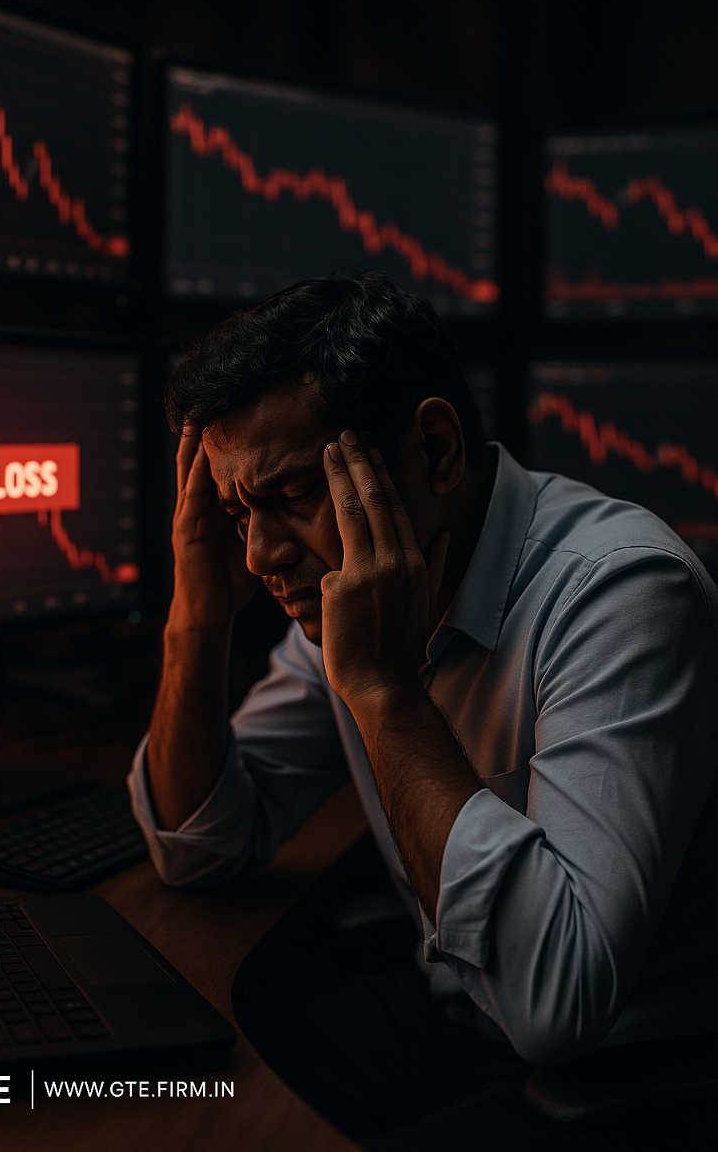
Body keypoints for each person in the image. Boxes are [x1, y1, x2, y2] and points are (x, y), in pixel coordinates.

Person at [128, 269, 718, 1144]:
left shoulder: (621, 592)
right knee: (174, 1086)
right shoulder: (345, 593)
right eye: (235, 510)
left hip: (620, 1075)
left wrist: (383, 692)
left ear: (434, 447)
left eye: (290, 495)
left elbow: (557, 1004)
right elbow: (202, 843)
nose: (257, 552)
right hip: (459, 1017)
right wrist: (197, 618)